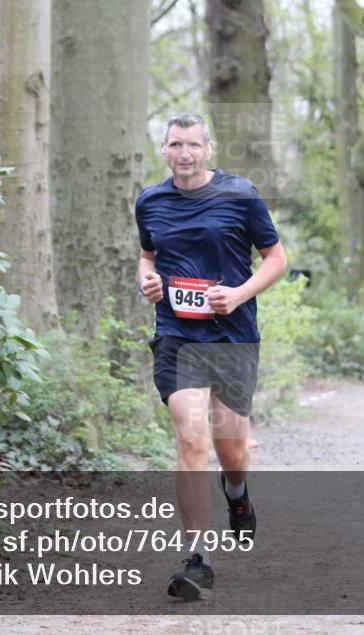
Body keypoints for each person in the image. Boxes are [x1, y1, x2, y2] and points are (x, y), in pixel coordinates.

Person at [135, 112, 287, 601]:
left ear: (209, 148)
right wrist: (148, 281)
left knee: (232, 451)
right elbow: (147, 255)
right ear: (164, 150)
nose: (185, 153)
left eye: (193, 145)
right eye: (176, 144)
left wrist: (239, 293)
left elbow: (277, 259)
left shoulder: (240, 195)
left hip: (233, 336)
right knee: (191, 438)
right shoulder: (150, 201)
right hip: (178, 336)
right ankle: (197, 559)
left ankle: (237, 496)